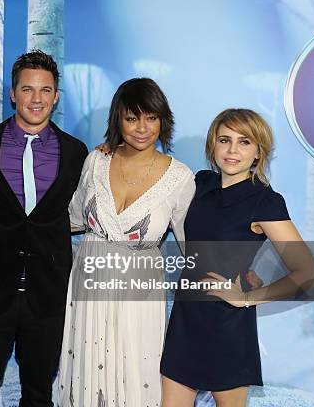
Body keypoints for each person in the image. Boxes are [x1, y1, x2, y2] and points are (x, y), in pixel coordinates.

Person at [160, 109, 314, 407]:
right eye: (225, 140)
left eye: (244, 142)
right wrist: (113, 150)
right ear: (213, 146)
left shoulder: (265, 201)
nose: (233, 150)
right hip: (185, 319)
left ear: (259, 152)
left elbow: (308, 271)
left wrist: (248, 298)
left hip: (226, 325)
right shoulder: (201, 183)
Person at [58, 78, 195, 406]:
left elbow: (194, 246)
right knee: (85, 376)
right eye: (132, 118)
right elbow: (71, 218)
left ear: (163, 120)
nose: (142, 128)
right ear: (118, 120)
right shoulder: (96, 161)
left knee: (137, 375)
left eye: (151, 117)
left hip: (140, 291)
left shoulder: (180, 178)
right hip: (89, 284)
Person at [0, 50, 88, 407]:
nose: (37, 99)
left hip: (46, 293)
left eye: (45, 90)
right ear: (13, 94)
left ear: (56, 96)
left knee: (38, 393)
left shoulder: (76, 153)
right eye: (28, 89)